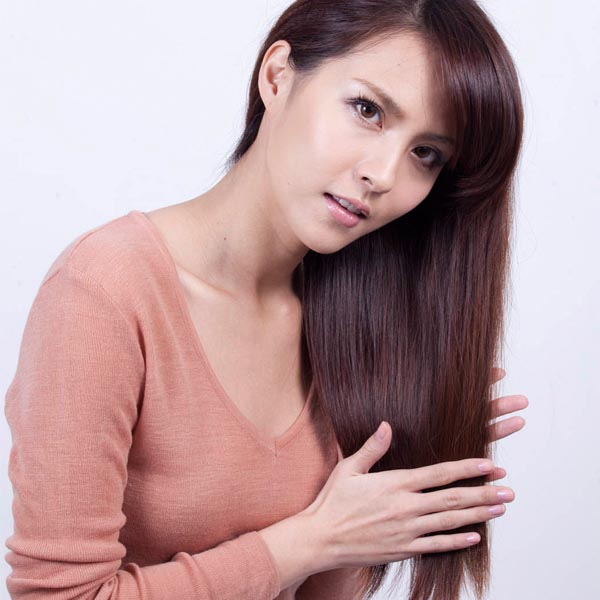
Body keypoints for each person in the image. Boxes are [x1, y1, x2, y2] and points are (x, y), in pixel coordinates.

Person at [4, 1, 528, 599]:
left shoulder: (354, 324)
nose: (384, 174)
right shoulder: (104, 293)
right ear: (277, 76)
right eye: (367, 109)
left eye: (426, 153)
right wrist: (309, 541)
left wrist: (396, 476)